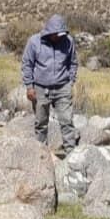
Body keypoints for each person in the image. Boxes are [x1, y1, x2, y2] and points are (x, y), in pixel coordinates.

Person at [21, 14, 79, 155]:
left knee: (67, 121)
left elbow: (73, 62)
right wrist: (29, 86)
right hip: (40, 88)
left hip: (62, 87)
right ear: (49, 31)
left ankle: (71, 155)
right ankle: (42, 155)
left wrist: (70, 82)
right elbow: (27, 64)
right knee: (41, 123)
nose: (59, 37)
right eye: (56, 34)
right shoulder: (34, 42)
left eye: (61, 34)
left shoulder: (68, 41)